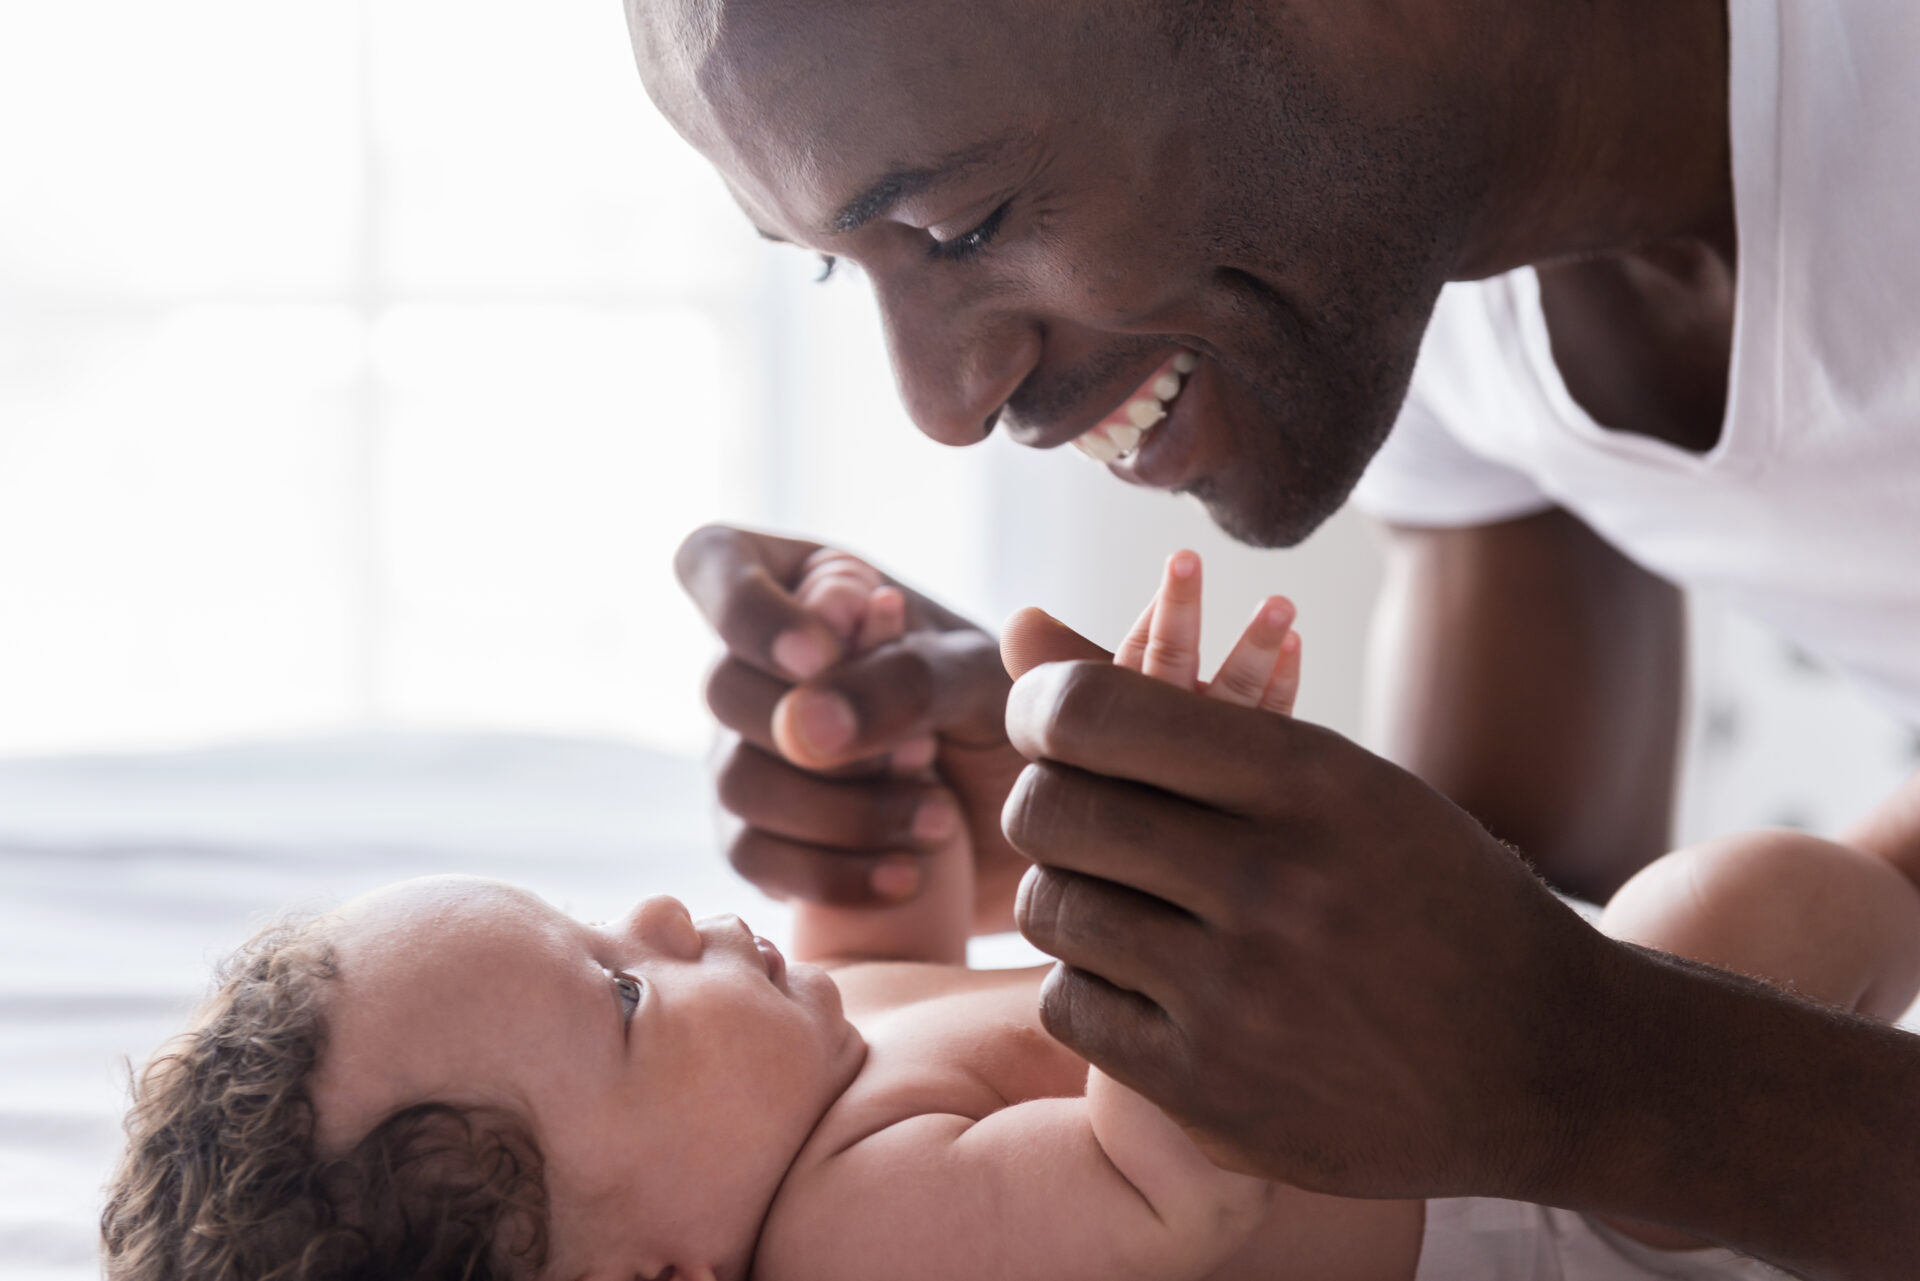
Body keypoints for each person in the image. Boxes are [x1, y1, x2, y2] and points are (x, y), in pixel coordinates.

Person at [630, 0, 1920, 1275]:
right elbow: (1488, 954)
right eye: (825, 262)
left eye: (964, 225)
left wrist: (1595, 1074)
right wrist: (1123, 847)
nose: (941, 405)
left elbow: (1545, 1045)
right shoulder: (1400, 258)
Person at [98, 552, 1920, 1280]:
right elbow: (1160, 1175)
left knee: (1741, 916)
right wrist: (1163, 838)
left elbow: (931, 959)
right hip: (1560, 1201)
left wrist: (879, 864)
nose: (664, 907)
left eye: (599, 915)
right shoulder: (855, 1237)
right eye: (622, 995)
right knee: (1749, 903)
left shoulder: (800, 1091)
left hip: (1497, 1068)